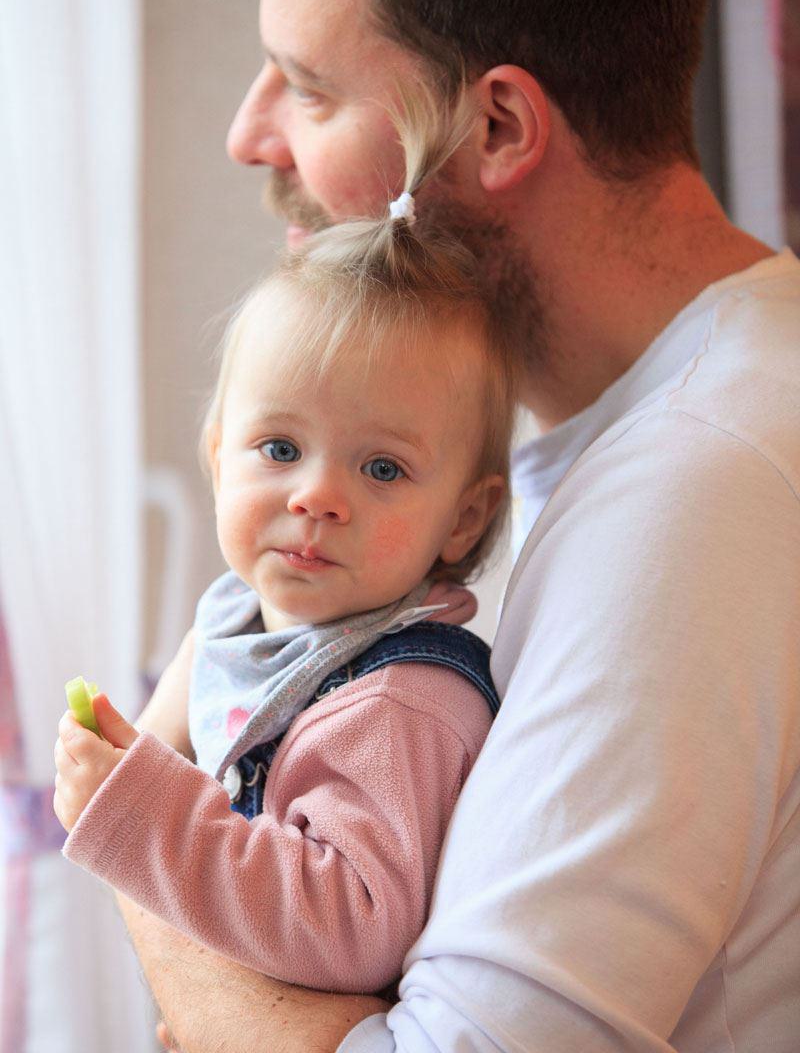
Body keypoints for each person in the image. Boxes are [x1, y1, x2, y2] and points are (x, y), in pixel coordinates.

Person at [109, 0, 800, 1050]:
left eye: (309, 88)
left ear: (495, 126)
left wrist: (144, 843)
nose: (247, 134)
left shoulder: (696, 487)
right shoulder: (600, 434)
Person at [53, 92, 516, 994]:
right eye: (279, 449)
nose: (317, 497)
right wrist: (112, 755)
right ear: (219, 456)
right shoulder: (236, 616)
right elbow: (165, 759)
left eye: (382, 469)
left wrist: (136, 810)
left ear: (463, 516)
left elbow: (352, 929)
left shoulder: (397, 704)